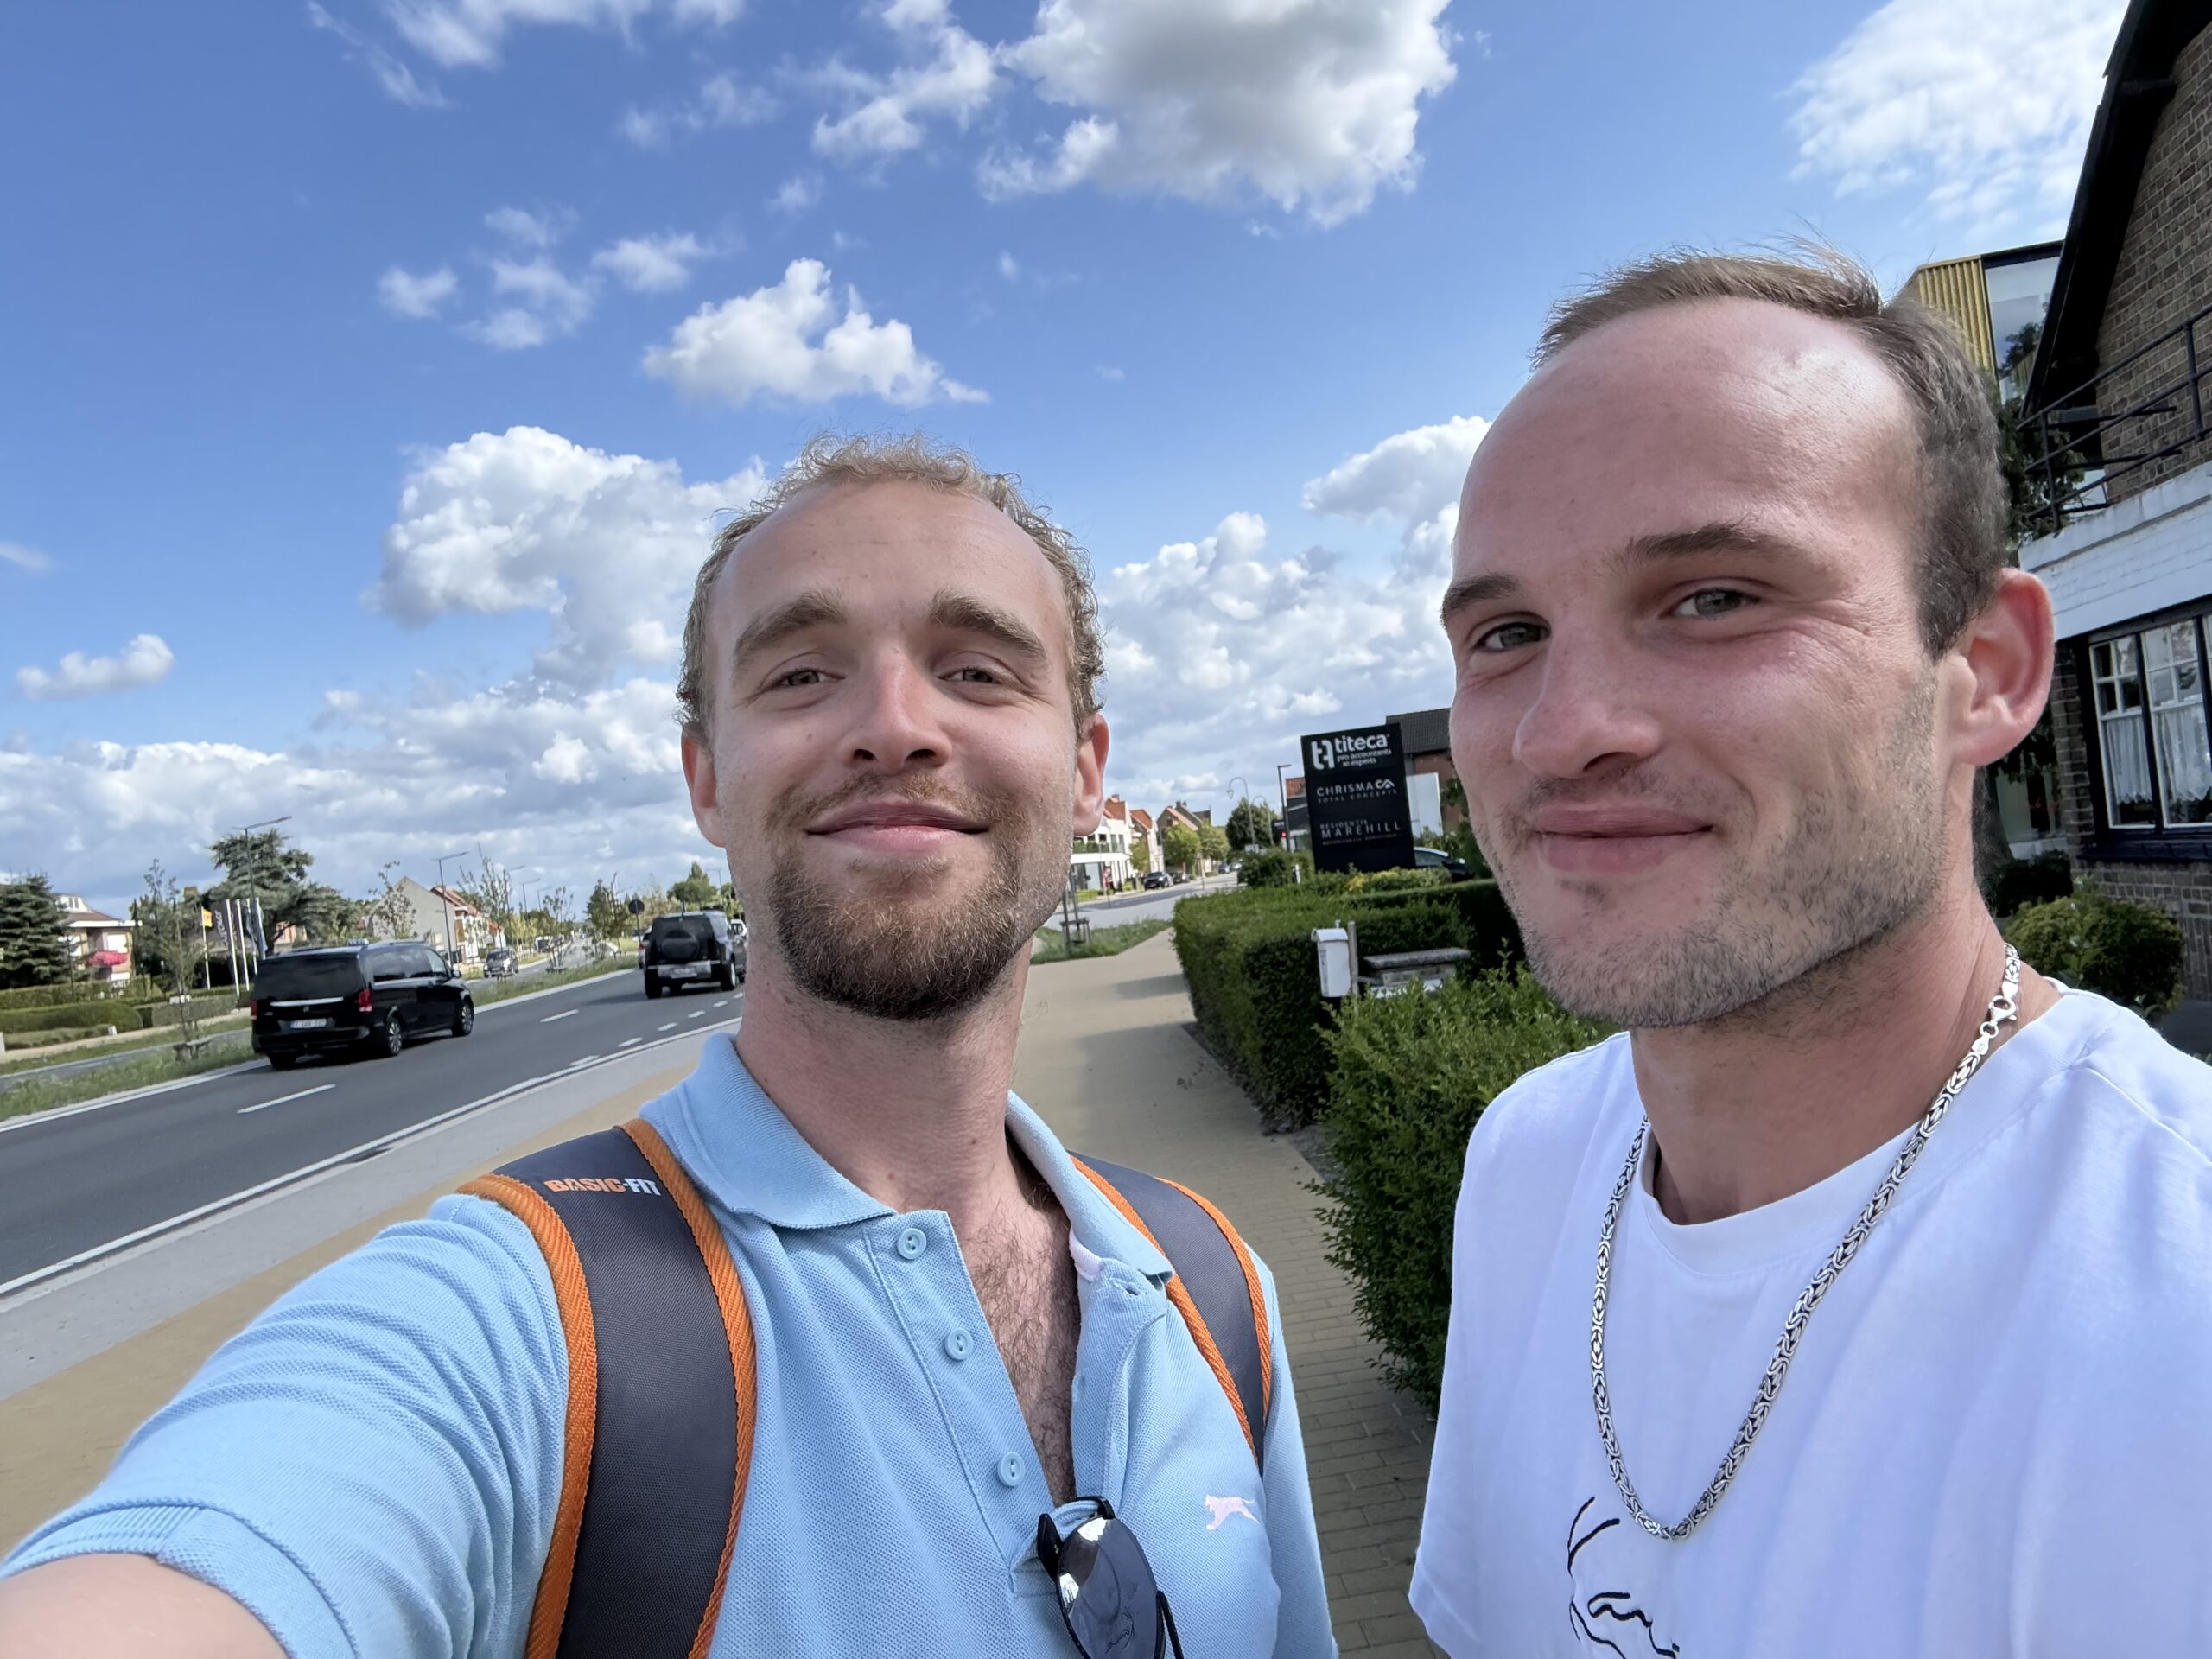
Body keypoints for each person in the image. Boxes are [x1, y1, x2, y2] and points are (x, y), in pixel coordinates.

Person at [0, 435, 1334, 1658]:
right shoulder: (524, 1324)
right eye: (801, 674)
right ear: (705, 778)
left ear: (1087, 768)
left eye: (978, 669)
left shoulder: (1214, 1289)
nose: (895, 724)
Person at [1412, 249, 2212, 1654]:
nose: (1562, 729)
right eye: (1508, 632)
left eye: (1715, 597)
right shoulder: (1525, 1164)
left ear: (1990, 671)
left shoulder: (2174, 1298)